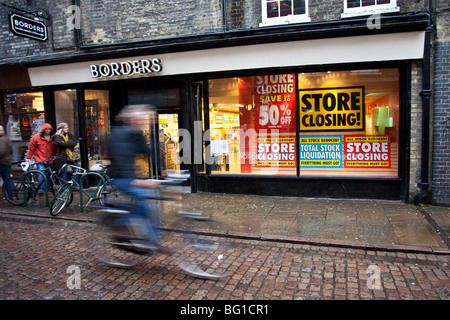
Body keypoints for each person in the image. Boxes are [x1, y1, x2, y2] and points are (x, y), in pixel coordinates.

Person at [106, 104, 172, 255]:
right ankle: (149, 240)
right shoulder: (118, 135)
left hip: (130, 176)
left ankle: (145, 232)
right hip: (122, 178)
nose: (142, 122)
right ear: (130, 120)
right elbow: (120, 159)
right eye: (139, 120)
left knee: (152, 199)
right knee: (143, 203)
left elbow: (149, 151)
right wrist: (134, 180)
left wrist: (164, 170)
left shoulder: (136, 134)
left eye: (143, 119)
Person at [26, 123, 57, 194]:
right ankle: (41, 189)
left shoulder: (53, 138)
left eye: (49, 129)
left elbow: (55, 149)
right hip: (40, 159)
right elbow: (31, 148)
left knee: (49, 174)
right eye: (46, 129)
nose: (48, 131)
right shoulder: (36, 138)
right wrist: (28, 158)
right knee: (41, 174)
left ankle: (48, 188)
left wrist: (55, 156)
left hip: (50, 159)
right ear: (43, 130)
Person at [0, 125, 15, 198]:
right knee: (8, 179)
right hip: (7, 162)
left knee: (7, 179)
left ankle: (11, 194)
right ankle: (12, 194)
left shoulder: (1, 139)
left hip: (2, 162)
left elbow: (1, 151)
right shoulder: (6, 138)